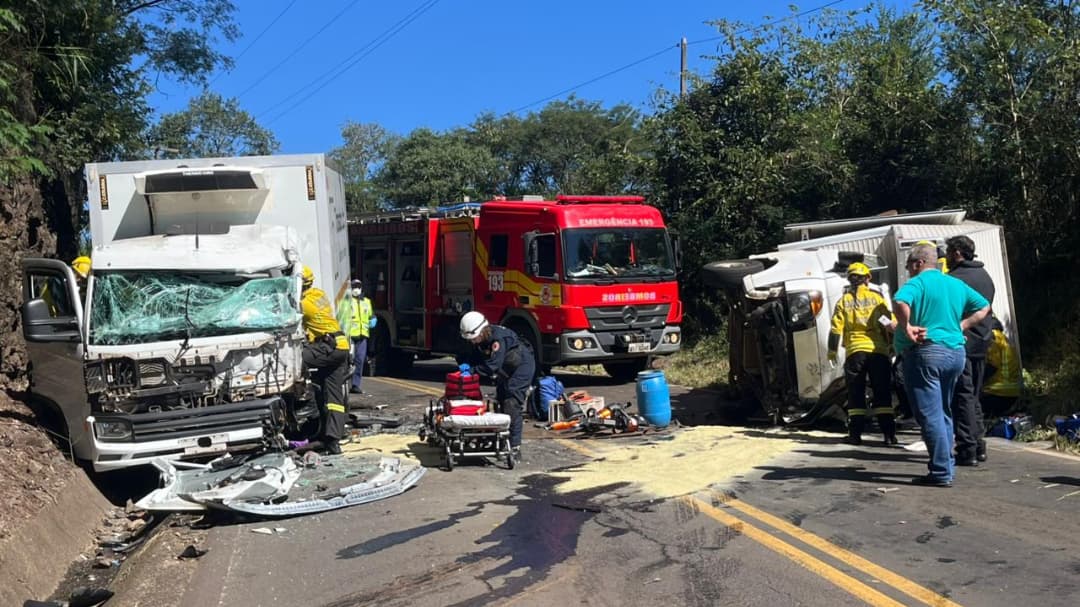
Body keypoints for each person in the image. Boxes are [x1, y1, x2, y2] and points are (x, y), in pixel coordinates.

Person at [894, 243, 990, 487]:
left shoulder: (918, 283)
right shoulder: (955, 284)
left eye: (909, 266)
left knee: (930, 415)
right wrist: (963, 325)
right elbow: (984, 306)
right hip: (955, 354)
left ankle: (940, 472)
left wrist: (906, 327)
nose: (908, 270)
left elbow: (900, 302)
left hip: (927, 352)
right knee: (944, 412)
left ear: (919, 263)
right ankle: (945, 466)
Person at [828, 262, 897, 446]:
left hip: (854, 353)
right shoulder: (877, 299)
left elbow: (836, 330)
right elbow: (889, 324)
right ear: (868, 278)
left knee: (855, 394)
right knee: (882, 393)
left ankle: (855, 435)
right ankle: (889, 435)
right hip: (878, 351)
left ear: (850, 279)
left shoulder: (843, 302)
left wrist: (832, 352)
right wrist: (892, 347)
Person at [944, 235, 996, 465]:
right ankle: (979, 445)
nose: (945, 257)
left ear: (956, 253)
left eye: (947, 253)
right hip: (982, 342)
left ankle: (967, 449)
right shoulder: (985, 276)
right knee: (973, 396)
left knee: (961, 397)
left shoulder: (954, 279)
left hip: (962, 341)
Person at [458, 311, 535, 459]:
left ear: (482, 331)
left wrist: (472, 371)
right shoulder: (481, 339)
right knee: (500, 399)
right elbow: (475, 356)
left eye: (474, 338)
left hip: (521, 367)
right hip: (507, 368)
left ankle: (514, 446)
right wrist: (467, 364)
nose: (473, 342)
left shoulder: (498, 339)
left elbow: (492, 366)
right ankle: (499, 440)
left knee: (511, 402)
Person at [295, 265, 350, 455]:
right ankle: (332, 441)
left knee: (294, 361)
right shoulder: (318, 294)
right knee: (333, 397)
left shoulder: (303, 304)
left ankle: (300, 409)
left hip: (329, 346)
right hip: (340, 346)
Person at [337, 279, 375, 394]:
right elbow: (341, 318)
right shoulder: (346, 302)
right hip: (350, 336)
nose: (356, 289)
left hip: (362, 336)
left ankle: (355, 385)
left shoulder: (366, 302)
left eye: (358, 286)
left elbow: (371, 316)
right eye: (354, 287)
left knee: (360, 360)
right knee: (348, 360)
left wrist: (373, 320)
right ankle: (343, 384)